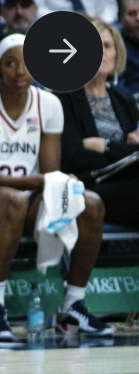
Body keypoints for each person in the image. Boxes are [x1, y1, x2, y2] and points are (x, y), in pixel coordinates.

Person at [0, 32, 112, 338]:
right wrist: (40, 180)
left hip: (33, 193)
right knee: (14, 201)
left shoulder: (48, 103)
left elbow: (50, 172)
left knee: (92, 204)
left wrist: (51, 182)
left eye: (27, 63)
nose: (20, 71)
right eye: (10, 63)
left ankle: (74, 305)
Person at [56, 20, 139, 236]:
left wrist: (104, 146)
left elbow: (135, 152)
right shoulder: (63, 96)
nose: (101, 52)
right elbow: (71, 155)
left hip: (126, 179)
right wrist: (122, 149)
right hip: (88, 183)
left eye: (107, 46)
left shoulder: (124, 99)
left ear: (117, 54)